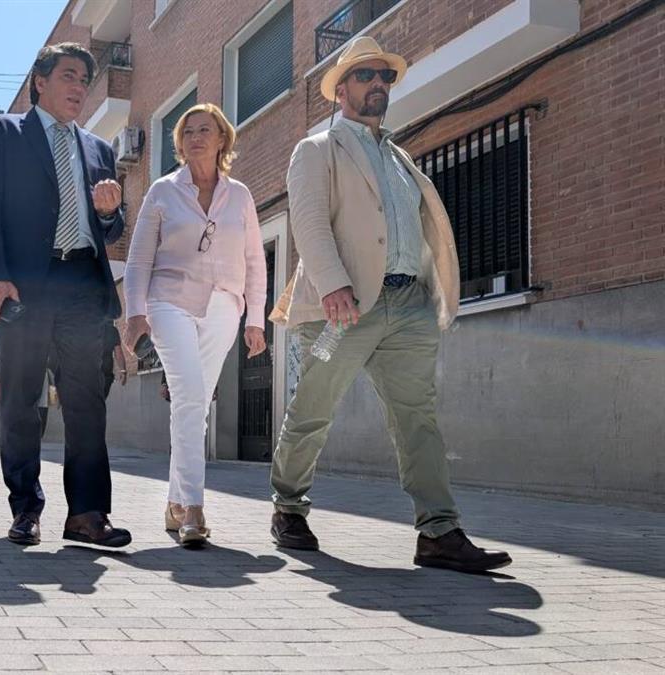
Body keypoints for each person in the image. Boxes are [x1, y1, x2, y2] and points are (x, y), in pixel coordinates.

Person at [268, 37, 511, 573]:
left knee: (417, 419)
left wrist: (430, 291)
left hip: (407, 307)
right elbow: (308, 222)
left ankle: (439, 532)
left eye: (385, 76)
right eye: (365, 75)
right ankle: (288, 506)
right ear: (342, 90)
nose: (378, 83)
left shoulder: (400, 157)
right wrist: (332, 284)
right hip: (344, 308)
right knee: (314, 408)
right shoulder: (317, 149)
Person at [0, 42, 129, 548]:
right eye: (70, 77)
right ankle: (26, 507)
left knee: (86, 404)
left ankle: (87, 514)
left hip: (81, 285)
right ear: (40, 80)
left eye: (85, 81)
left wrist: (107, 213)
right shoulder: (4, 131)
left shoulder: (99, 150)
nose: (80, 88)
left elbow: (111, 229)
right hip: (25, 284)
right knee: (20, 399)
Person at [123, 103, 268, 549]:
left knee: (196, 402)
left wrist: (256, 319)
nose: (196, 138)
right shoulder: (163, 192)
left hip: (225, 303)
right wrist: (135, 314)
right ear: (180, 144)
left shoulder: (240, 195)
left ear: (222, 139)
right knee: (188, 393)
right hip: (169, 301)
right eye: (188, 132)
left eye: (205, 130)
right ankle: (194, 507)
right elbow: (139, 257)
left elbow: (254, 261)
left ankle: (173, 501)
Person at [101, 323, 126, 399]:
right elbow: (118, 353)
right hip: (105, 377)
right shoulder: (111, 330)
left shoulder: (84, 330)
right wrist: (123, 371)